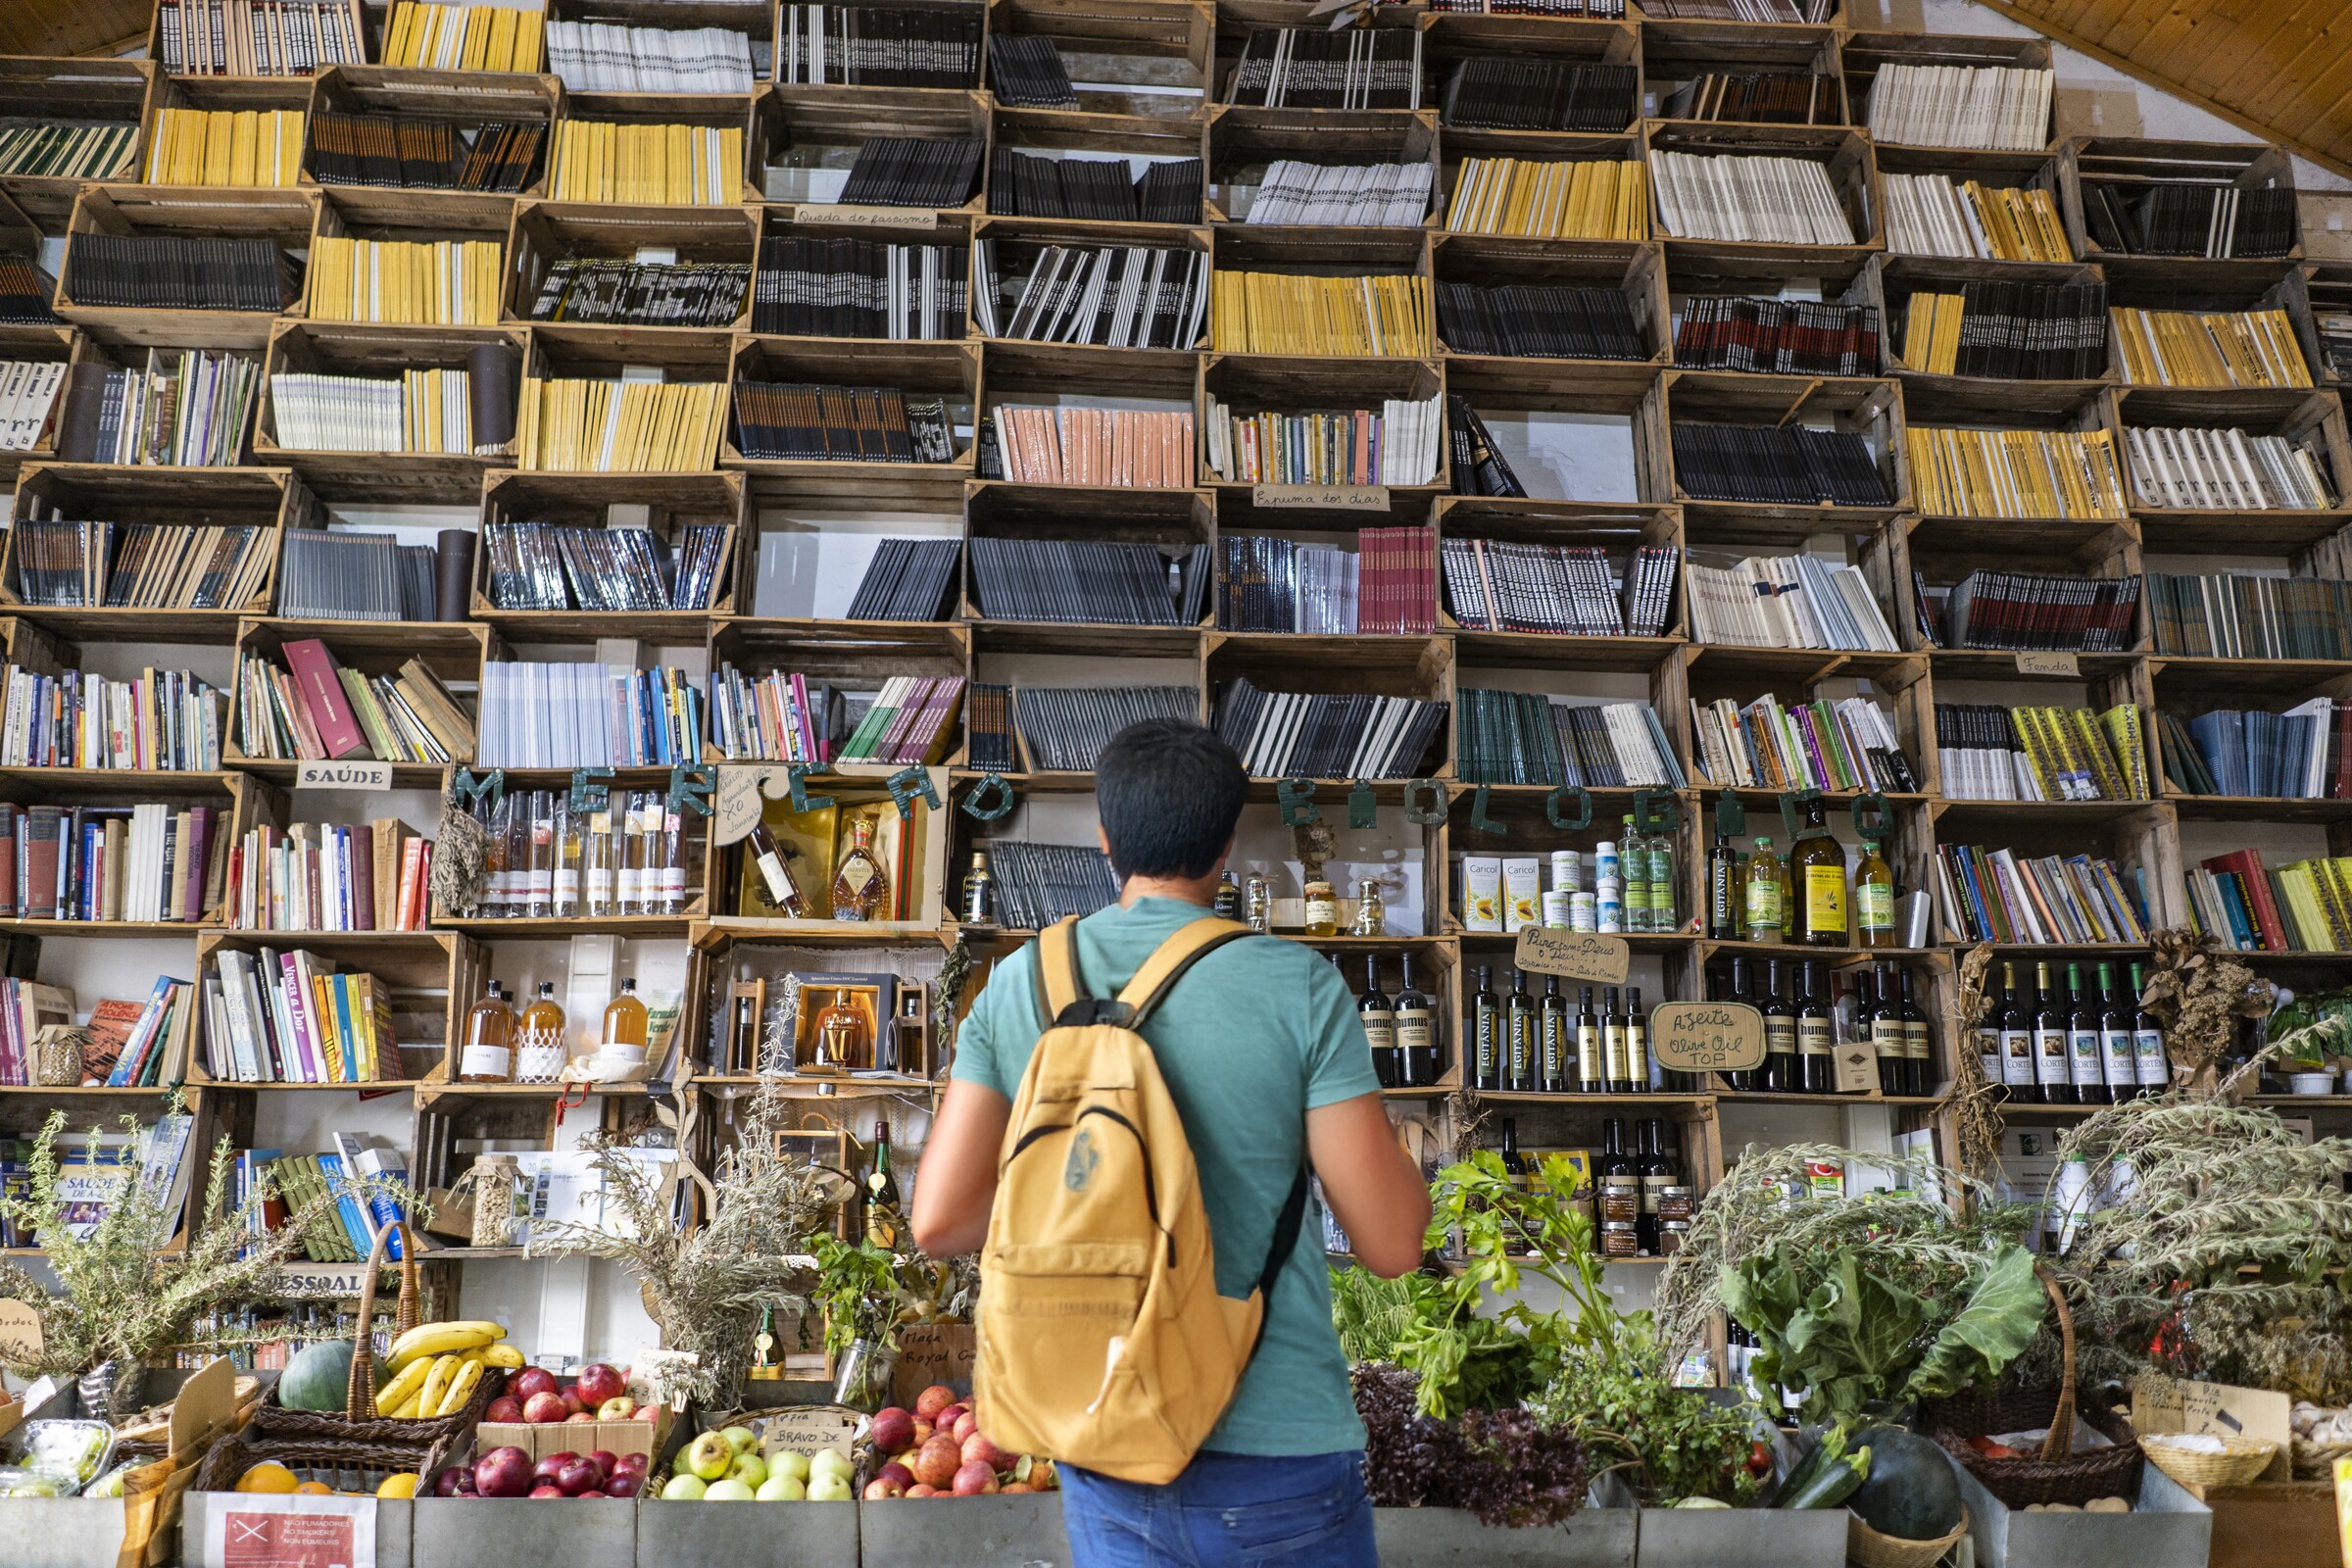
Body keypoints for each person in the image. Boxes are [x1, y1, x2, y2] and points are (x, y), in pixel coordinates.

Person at [913, 717, 1431, 1567]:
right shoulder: (1298, 985)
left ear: (1105, 838)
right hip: (1276, 1440)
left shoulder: (1020, 982)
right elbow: (1393, 1244)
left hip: (1101, 1425)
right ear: (1227, 844)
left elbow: (939, 1222)